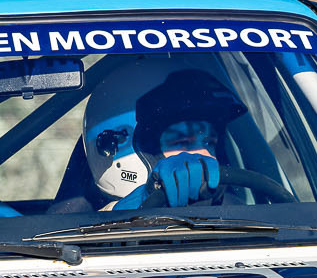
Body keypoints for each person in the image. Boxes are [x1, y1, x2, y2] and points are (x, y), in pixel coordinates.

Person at [79, 66, 246, 211]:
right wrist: (143, 198)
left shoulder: (240, 216)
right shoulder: (91, 234)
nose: (207, 155)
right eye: (181, 142)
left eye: (210, 143)